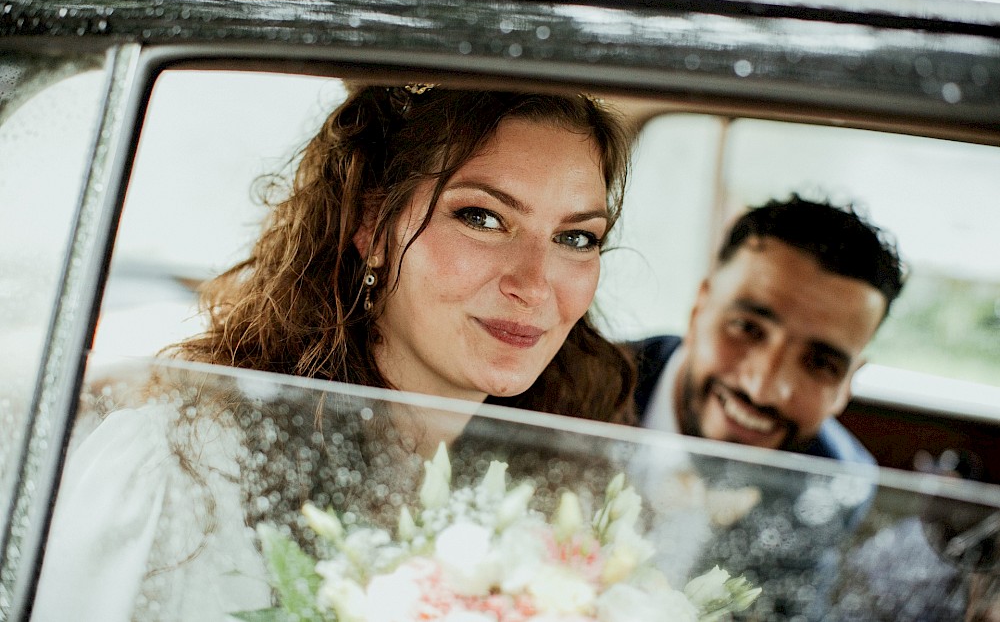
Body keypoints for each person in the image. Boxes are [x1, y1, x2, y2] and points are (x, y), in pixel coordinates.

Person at [31, 84, 637, 622]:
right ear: (373, 227)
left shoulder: (565, 503)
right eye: (481, 217)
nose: (533, 285)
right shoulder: (182, 468)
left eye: (575, 238)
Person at [628, 195, 906, 619]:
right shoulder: (571, 385)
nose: (764, 389)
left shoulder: (834, 482)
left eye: (821, 363)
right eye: (747, 328)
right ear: (699, 307)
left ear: (849, 381)